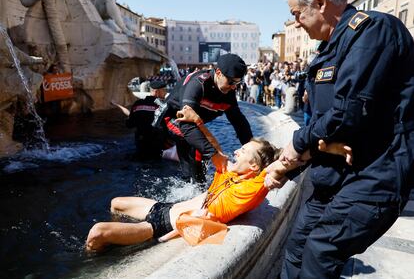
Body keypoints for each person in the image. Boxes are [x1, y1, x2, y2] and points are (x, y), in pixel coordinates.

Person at [265, 0, 414, 279]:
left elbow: (349, 110)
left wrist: (296, 145)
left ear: (319, 3)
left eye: (296, 15)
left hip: (372, 177)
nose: (296, 24)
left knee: (320, 254)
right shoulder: (329, 50)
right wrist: (288, 167)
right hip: (332, 176)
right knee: (296, 248)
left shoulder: (373, 30)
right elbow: (327, 128)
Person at [85, 104, 353, 251]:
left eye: (244, 151)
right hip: (163, 209)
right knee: (116, 202)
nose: (236, 151)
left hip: (166, 226)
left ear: (255, 167)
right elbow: (214, 147)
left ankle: (99, 256)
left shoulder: (252, 186)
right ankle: (118, 244)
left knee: (97, 233)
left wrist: (328, 148)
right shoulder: (228, 171)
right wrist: (196, 120)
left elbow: (289, 157)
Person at [156, 53, 253, 184]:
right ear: (218, 72)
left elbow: (239, 122)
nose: (234, 87)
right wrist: (214, 154)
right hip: (172, 119)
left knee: (200, 155)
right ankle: (196, 189)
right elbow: (186, 127)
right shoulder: (197, 84)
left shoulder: (228, 91)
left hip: (192, 123)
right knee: (199, 151)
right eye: (231, 82)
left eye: (238, 82)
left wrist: (253, 150)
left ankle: (194, 182)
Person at [113, 80, 168, 160]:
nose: (166, 93)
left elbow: (129, 124)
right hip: (157, 146)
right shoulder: (163, 106)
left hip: (140, 143)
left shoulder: (137, 104)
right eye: (164, 90)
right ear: (157, 92)